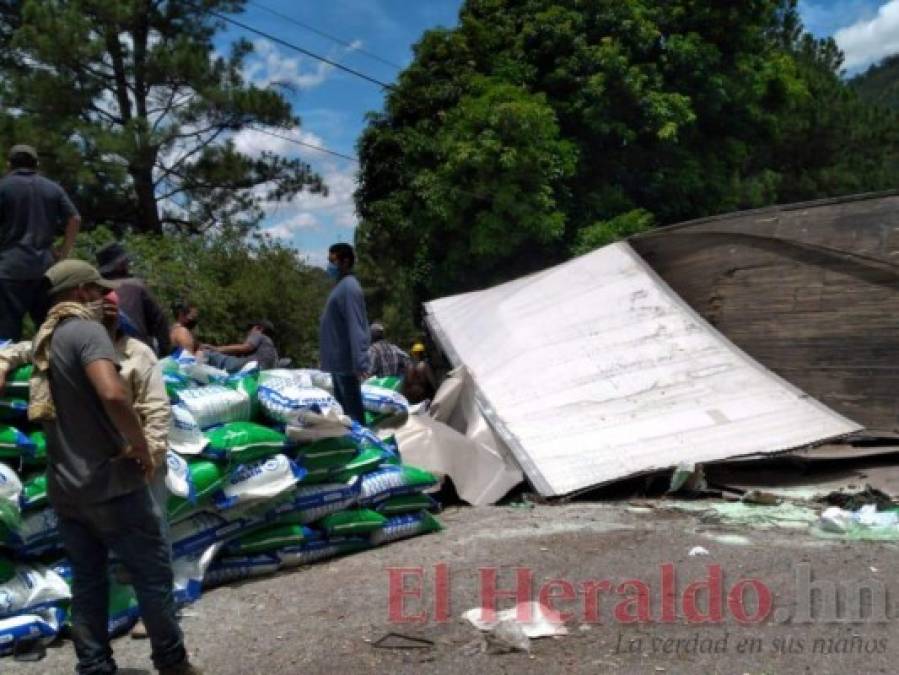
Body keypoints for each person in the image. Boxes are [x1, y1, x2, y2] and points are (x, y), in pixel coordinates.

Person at [31, 259, 199, 675]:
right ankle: (172, 662)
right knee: (152, 575)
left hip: (66, 489)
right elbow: (112, 392)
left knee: (87, 582)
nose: (103, 298)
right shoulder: (87, 333)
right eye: (96, 290)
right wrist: (139, 445)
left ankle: (94, 666)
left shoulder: (44, 340)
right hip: (112, 484)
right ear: (80, 292)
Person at [0, 144, 80, 341]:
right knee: (49, 331)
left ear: (9, 164)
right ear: (36, 164)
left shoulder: (3, 187)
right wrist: (63, 252)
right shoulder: (53, 188)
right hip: (45, 270)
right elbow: (74, 218)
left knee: (6, 336)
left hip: (9, 269)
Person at [319, 243, 370, 423]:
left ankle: (362, 445)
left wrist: (361, 361)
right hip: (338, 364)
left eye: (332, 261)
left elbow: (356, 325)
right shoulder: (341, 286)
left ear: (345, 261)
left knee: (353, 414)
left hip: (346, 364)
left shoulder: (349, 287)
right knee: (344, 413)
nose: (329, 266)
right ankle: (351, 444)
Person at [96, 242, 171, 356]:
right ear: (120, 265)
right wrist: (164, 354)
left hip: (103, 354)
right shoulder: (136, 285)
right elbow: (160, 322)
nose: (128, 264)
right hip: (136, 354)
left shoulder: (94, 289)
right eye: (126, 261)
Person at [202, 320, 280, 372]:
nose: (248, 332)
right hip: (262, 371)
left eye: (250, 328)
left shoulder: (258, 334)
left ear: (259, 328)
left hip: (250, 367)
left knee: (208, 353)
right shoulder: (273, 350)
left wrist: (217, 349)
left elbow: (246, 347)